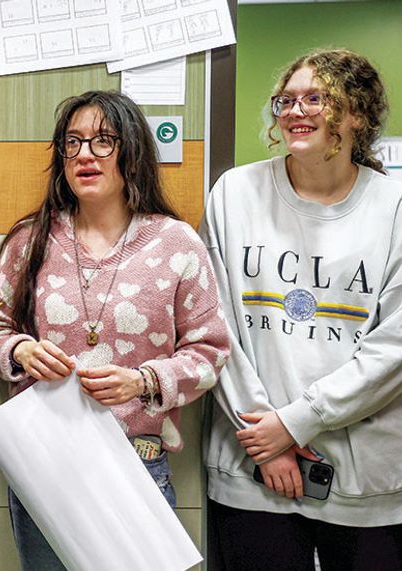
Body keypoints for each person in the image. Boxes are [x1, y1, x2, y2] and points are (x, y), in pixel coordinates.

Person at [0, 90, 231, 570]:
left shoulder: (176, 243)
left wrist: (143, 381)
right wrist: (22, 351)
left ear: (132, 151)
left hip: (137, 461)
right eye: (72, 143)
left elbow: (210, 352)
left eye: (103, 141)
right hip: (44, 462)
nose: (85, 155)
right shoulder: (29, 241)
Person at [201, 49, 402, 569]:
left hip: (365, 483)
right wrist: (268, 441)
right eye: (286, 100)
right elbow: (211, 325)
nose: (294, 111)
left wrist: (295, 423)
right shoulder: (234, 194)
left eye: (316, 98)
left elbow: (394, 349)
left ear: (357, 113)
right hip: (253, 470)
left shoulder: (394, 205)